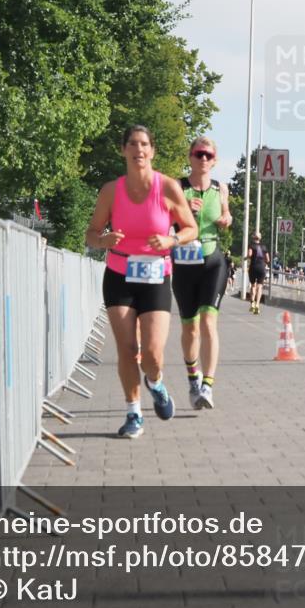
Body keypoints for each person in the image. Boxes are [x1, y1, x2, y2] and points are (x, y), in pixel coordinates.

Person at [86, 125, 198, 439]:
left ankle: (156, 383)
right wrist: (103, 240)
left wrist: (171, 240)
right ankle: (133, 413)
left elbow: (191, 228)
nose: (139, 149)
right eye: (133, 144)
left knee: (152, 354)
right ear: (123, 150)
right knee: (126, 349)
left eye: (144, 144)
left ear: (152, 151)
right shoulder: (111, 191)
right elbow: (91, 234)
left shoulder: (168, 187)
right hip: (119, 274)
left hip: (155, 276)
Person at [170, 137, 233, 410]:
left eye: (208, 155)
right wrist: (184, 211)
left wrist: (226, 219)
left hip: (212, 260)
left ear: (215, 160)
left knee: (208, 322)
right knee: (190, 327)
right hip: (185, 263)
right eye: (199, 154)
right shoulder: (177, 186)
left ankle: (207, 385)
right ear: (190, 157)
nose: (203, 159)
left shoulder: (221, 188)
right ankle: (193, 376)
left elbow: (227, 215)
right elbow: (165, 219)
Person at [246, 232, 270, 314]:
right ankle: (257, 304)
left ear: (253, 238)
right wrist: (263, 262)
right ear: (260, 238)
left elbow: (249, 254)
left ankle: (252, 303)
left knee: (253, 285)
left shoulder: (251, 245)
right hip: (261, 268)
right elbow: (268, 259)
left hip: (253, 267)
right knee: (260, 286)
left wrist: (246, 258)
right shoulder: (264, 247)